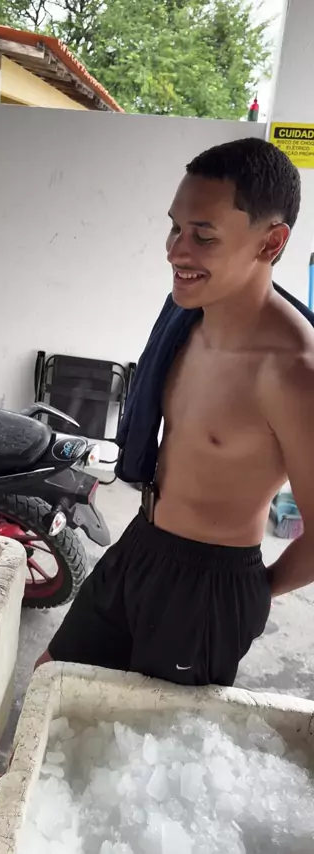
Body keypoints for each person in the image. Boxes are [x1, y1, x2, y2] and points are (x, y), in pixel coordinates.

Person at [38, 137, 314, 688]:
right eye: (175, 229)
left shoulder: (292, 373)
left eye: (203, 236)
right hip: (141, 541)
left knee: (149, 735)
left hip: (212, 580)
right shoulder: (188, 319)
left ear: (271, 242)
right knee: (54, 680)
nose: (176, 251)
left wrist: (253, 594)